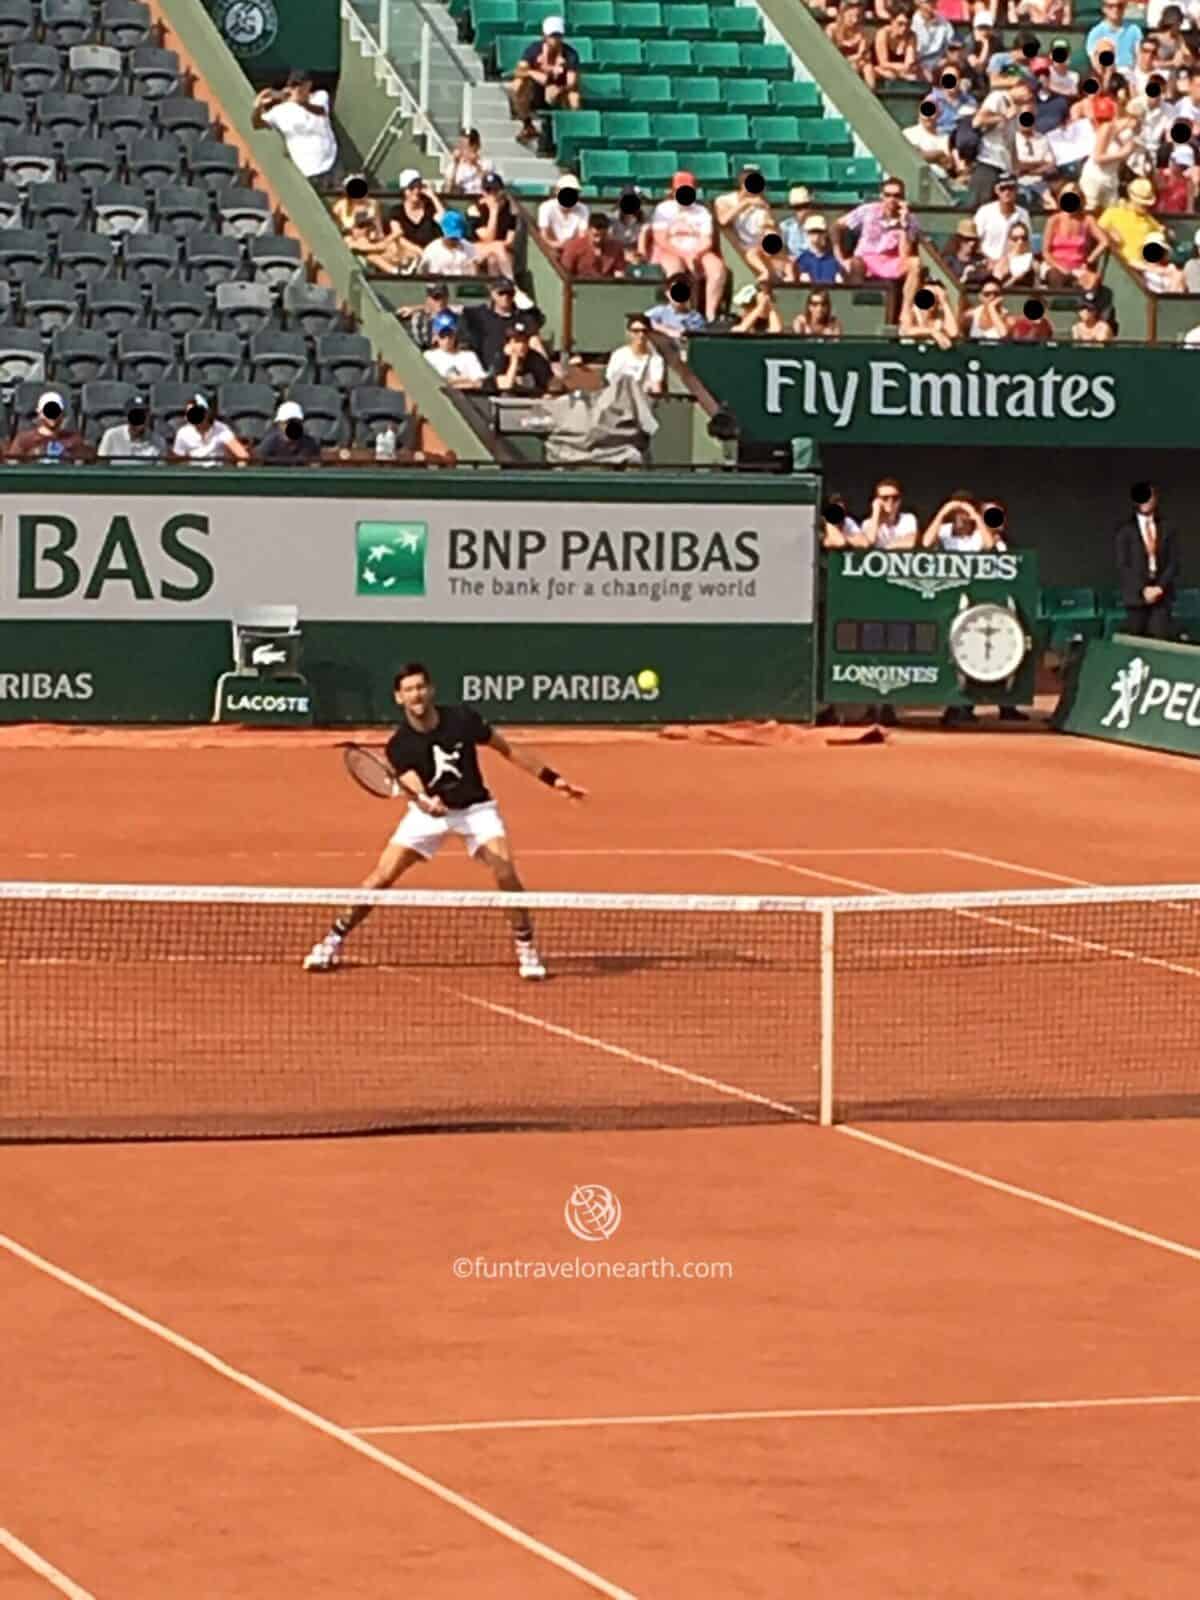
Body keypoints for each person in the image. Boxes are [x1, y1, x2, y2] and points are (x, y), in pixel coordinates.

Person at [303, 664, 586, 978]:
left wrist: (553, 780)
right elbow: (413, 784)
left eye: (421, 687)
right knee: (381, 877)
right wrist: (427, 803)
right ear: (399, 698)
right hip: (429, 816)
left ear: (431, 690)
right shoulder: (400, 745)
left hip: (476, 810)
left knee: (505, 871)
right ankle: (332, 940)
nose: (417, 695)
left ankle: (527, 950)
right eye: (409, 690)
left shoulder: (462, 720)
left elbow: (507, 749)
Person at [642, 172, 729, 321]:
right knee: (676, 270)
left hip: (698, 251)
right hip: (671, 249)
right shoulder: (664, 209)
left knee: (717, 269)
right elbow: (661, 238)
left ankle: (710, 314)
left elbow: (707, 240)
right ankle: (678, 311)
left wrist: (695, 254)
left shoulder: (702, 212)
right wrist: (684, 255)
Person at [252, 70, 340, 185]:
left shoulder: (320, 96)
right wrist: (257, 108)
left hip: (331, 164)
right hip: (306, 172)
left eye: (299, 85)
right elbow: (257, 125)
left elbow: (320, 111)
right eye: (292, 85)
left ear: (308, 85)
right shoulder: (280, 111)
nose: (296, 89)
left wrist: (300, 102)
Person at [1116, 483, 1179, 638]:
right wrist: (1143, 590)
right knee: (1137, 645)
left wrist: (1159, 587)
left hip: (1161, 596)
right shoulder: (1125, 531)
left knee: (1159, 642)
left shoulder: (1167, 527)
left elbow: (1173, 562)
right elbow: (1123, 565)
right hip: (1136, 597)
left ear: (1155, 499)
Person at [836, 178, 921, 288]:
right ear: (882, 196)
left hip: (888, 262)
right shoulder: (868, 210)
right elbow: (836, 226)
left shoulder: (910, 220)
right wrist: (840, 257)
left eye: (896, 195)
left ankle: (906, 306)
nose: (892, 199)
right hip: (864, 259)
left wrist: (904, 225)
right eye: (888, 195)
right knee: (856, 264)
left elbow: (904, 256)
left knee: (915, 263)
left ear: (903, 198)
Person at [511, 15, 582, 145]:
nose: (555, 39)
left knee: (574, 98)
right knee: (517, 84)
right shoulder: (533, 50)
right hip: (536, 89)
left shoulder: (570, 54)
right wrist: (534, 73)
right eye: (552, 35)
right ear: (544, 35)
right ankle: (527, 125)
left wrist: (559, 88)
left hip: (558, 90)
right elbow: (518, 71)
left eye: (558, 35)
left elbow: (572, 82)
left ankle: (569, 134)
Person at [461, 277, 548, 368]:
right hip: (491, 369)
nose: (506, 297)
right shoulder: (478, 315)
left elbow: (535, 343)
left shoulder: (524, 318)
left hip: (520, 369)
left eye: (510, 293)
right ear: (493, 294)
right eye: (501, 293)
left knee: (534, 341)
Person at [8, 390, 88, 462]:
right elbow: (12, 468)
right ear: (39, 413)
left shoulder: (73, 440)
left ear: (62, 414)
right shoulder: (23, 440)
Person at [482, 316, 554, 396]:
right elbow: (506, 385)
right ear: (509, 343)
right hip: (502, 402)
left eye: (524, 341)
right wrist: (514, 361)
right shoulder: (500, 358)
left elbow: (550, 384)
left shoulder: (536, 359)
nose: (521, 345)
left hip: (532, 402)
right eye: (517, 341)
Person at [171, 393, 250, 465]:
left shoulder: (222, 429)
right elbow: (177, 461)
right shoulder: (183, 433)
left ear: (207, 413)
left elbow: (242, 455)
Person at [390, 169, 445, 270]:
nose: (416, 191)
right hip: (411, 253)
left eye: (419, 186)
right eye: (411, 187)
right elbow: (398, 237)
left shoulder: (430, 207)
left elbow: (445, 222)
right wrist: (419, 251)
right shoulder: (396, 211)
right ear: (404, 190)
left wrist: (433, 197)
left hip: (433, 251)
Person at [469, 172, 518, 279]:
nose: (492, 194)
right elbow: (487, 238)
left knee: (493, 259)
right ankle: (512, 284)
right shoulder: (475, 210)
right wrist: (493, 211)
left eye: (496, 190)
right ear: (482, 192)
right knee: (497, 248)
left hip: (503, 252)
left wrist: (496, 246)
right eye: (488, 190)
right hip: (478, 249)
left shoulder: (510, 210)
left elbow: (510, 241)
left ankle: (497, 291)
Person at [423, 311, 487, 390]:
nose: (447, 339)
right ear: (436, 336)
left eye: (450, 334)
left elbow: (480, 382)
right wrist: (465, 380)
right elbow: (429, 382)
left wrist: (450, 383)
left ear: (455, 334)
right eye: (442, 335)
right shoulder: (429, 356)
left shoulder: (469, 356)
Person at [604, 314, 665, 397]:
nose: (641, 334)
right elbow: (611, 381)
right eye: (636, 331)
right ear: (629, 333)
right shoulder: (619, 355)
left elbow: (656, 386)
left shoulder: (656, 359)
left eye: (644, 331)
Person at [97, 394, 165, 463]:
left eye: (145, 414)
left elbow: (160, 470)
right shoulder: (111, 435)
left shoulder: (159, 441)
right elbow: (101, 466)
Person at [537, 173, 590, 257]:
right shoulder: (546, 207)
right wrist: (556, 245)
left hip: (573, 251)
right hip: (551, 250)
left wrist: (569, 247)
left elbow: (582, 235)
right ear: (557, 191)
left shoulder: (583, 209)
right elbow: (544, 236)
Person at [560, 212, 626, 277]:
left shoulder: (616, 247)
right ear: (588, 230)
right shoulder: (573, 246)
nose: (599, 239)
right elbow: (566, 274)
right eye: (595, 235)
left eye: (603, 235)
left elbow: (619, 272)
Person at [418, 209, 479, 276]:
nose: (454, 240)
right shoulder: (432, 249)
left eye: (456, 237)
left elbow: (474, 273)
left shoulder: (469, 247)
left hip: (462, 284)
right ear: (443, 232)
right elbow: (423, 273)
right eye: (451, 237)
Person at [258, 400, 320, 465]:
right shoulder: (269, 443)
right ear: (280, 424)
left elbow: (316, 467)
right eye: (288, 422)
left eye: (296, 421)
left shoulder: (310, 444)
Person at [862, 477, 919, 548]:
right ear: (876, 500)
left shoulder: (908, 518)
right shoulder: (868, 523)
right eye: (885, 498)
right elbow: (869, 541)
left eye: (895, 498)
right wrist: (876, 512)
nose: (890, 501)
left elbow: (910, 542)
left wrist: (886, 548)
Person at [398, 281, 452, 350]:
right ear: (428, 298)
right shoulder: (417, 319)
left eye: (443, 296)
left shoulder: (455, 318)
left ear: (447, 297)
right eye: (436, 297)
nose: (440, 301)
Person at [792, 213, 844, 283]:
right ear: (807, 233)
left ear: (825, 233)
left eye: (820, 231)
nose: (817, 235)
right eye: (813, 232)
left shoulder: (834, 261)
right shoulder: (801, 261)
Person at [442, 128, 490, 196]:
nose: (463, 149)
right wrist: (456, 165)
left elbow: (490, 185)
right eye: (461, 145)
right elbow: (448, 191)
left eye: (468, 145)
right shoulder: (453, 166)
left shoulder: (487, 164)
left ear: (477, 145)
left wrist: (475, 165)